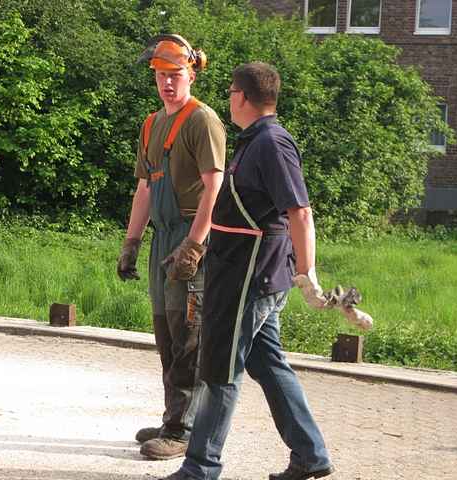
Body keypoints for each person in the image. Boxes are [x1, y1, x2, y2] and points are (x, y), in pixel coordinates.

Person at [161, 62, 335, 480]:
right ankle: (311, 455)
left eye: (230, 92)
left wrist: (307, 273)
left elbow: (300, 211)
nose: (227, 99)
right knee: (267, 362)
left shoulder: (272, 143)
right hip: (241, 270)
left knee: (220, 367)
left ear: (241, 96)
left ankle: (201, 467)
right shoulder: (254, 140)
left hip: (249, 275)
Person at [116, 34, 226, 461]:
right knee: (166, 334)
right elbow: (144, 187)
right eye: (161, 76)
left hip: (190, 237)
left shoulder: (203, 121)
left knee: (189, 337)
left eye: (175, 75)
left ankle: (185, 431)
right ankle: (172, 419)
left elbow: (215, 188)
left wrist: (194, 247)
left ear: (192, 74)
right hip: (162, 238)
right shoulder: (151, 123)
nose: (167, 83)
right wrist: (131, 241)